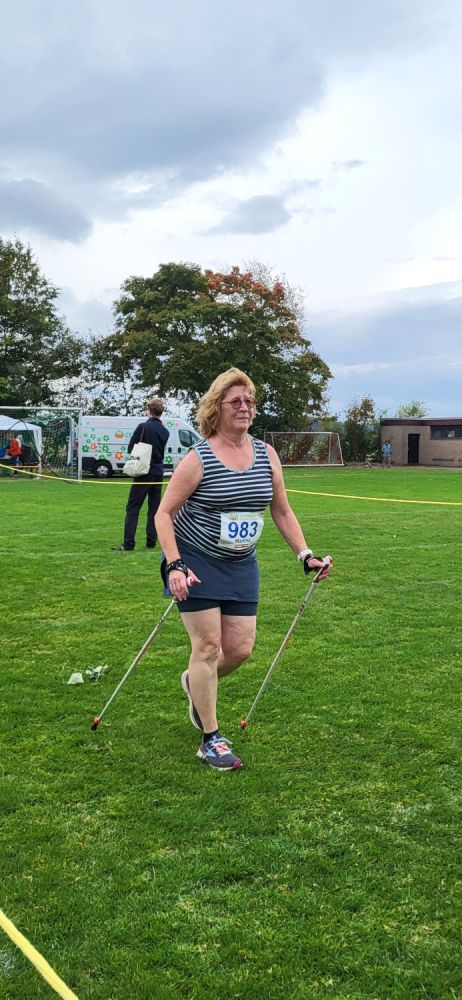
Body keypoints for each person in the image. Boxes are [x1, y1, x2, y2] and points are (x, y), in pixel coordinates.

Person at [155, 368, 333, 771]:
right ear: (216, 408)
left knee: (239, 649)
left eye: (249, 401)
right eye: (235, 401)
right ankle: (211, 739)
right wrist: (175, 565)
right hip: (195, 560)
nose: (244, 407)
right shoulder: (199, 457)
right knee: (207, 647)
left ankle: (194, 682)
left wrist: (306, 555)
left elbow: (281, 510)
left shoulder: (266, 454)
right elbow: (164, 513)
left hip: (240, 564)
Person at [112, 399, 169, 551]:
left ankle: (128, 543)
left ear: (149, 411)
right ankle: (151, 541)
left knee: (133, 507)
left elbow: (131, 447)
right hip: (158, 472)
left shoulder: (143, 426)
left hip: (143, 471)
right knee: (154, 508)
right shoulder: (165, 430)